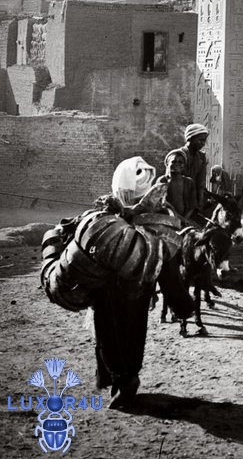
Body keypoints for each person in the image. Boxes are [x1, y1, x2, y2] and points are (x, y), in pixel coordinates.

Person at [41, 157, 193, 410]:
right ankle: (126, 378)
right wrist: (182, 305)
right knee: (134, 334)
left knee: (108, 335)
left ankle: (120, 381)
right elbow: (169, 273)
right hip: (138, 295)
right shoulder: (157, 231)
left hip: (106, 294)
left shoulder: (104, 223)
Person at [137, 150, 198, 223]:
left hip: (186, 219)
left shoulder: (189, 182)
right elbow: (162, 204)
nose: (177, 164)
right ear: (167, 164)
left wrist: (185, 219)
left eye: (180, 162)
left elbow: (192, 205)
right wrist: (179, 218)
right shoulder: (162, 181)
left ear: (184, 166)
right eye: (173, 161)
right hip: (166, 218)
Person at [176, 123, 209, 213]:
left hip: (193, 196)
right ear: (190, 138)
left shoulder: (201, 157)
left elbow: (201, 182)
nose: (202, 144)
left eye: (204, 141)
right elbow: (173, 181)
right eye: (200, 140)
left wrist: (200, 201)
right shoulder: (179, 155)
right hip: (178, 194)